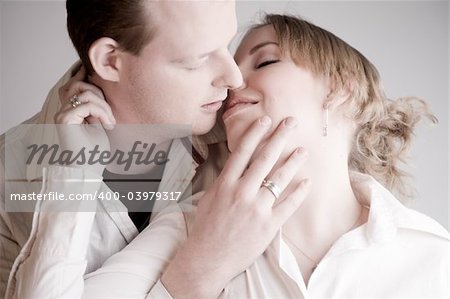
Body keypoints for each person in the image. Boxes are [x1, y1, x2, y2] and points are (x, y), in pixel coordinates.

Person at [16, 14, 448, 298]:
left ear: (340, 89)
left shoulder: (433, 256)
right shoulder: (190, 227)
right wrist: (74, 174)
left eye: (265, 61)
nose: (233, 81)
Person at [0, 1, 311, 298]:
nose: (233, 77)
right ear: (110, 60)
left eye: (226, 45)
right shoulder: (6, 183)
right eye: (198, 60)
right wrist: (73, 177)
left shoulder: (246, 130)